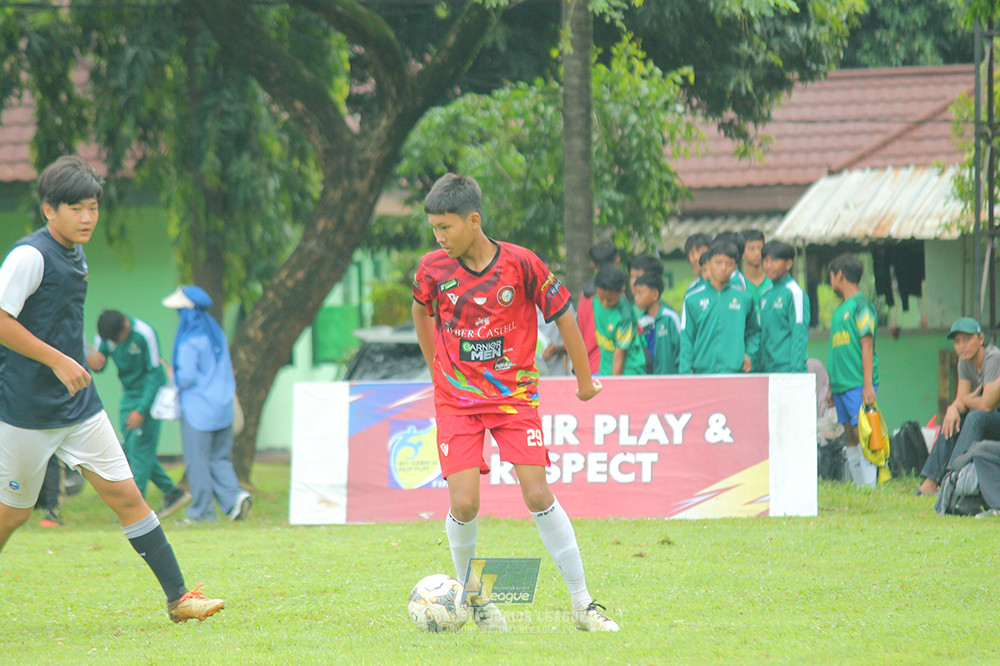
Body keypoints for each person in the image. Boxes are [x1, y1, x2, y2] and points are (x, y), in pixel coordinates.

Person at [0, 155, 223, 623]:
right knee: (13, 515)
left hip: (80, 407)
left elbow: (59, 322)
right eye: (76, 209)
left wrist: (73, 357)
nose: (87, 218)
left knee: (128, 498)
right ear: (48, 209)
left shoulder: (75, 255)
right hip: (26, 411)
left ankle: (179, 599)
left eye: (93, 208)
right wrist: (59, 359)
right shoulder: (30, 255)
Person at [411, 173, 618, 632]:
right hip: (457, 401)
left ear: (473, 220)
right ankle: (478, 600)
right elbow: (421, 313)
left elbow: (564, 316)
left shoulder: (522, 264)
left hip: (513, 398)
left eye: (445, 227)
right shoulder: (432, 269)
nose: (438, 237)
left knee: (537, 493)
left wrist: (585, 381)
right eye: (434, 230)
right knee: (464, 504)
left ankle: (583, 605)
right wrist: (435, 369)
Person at [87, 310, 190, 517]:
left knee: (139, 452)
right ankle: (173, 493)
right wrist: (91, 358)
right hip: (128, 396)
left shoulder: (144, 333)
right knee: (130, 450)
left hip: (149, 395)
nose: (115, 343)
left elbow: (155, 374)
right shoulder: (106, 335)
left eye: (118, 339)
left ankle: (136, 511)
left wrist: (142, 410)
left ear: (126, 327)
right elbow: (99, 364)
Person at [162, 285, 251, 523]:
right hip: (223, 407)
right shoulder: (216, 333)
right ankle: (235, 498)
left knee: (197, 460)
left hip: (198, 410)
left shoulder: (189, 340)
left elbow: (187, 377)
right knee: (219, 458)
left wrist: (175, 375)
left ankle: (202, 511)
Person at [916, 317, 1000, 496]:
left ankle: (950, 480)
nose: (962, 345)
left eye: (967, 339)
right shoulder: (964, 361)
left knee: (975, 417)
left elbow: (986, 405)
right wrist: (952, 408)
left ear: (981, 339)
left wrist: (963, 402)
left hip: (994, 418)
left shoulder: (993, 358)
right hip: (989, 419)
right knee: (954, 418)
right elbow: (961, 401)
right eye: (957, 341)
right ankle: (930, 481)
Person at [827, 254, 879, 488]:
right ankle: (860, 487)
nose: (831, 283)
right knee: (848, 433)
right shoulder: (839, 311)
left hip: (858, 382)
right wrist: (831, 385)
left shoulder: (862, 306)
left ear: (839, 275)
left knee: (862, 431)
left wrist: (868, 384)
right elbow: (836, 351)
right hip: (841, 384)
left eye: (831, 278)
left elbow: (866, 344)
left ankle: (871, 486)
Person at [679, 241, 760, 374]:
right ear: (708, 264)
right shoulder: (692, 299)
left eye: (728, 264)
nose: (723, 268)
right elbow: (687, 338)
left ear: (735, 266)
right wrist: (685, 372)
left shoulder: (744, 298)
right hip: (702, 374)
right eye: (718, 263)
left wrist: (750, 355)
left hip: (735, 374)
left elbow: (754, 332)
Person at [758, 240, 809, 373]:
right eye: (765, 261)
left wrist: (795, 372)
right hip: (766, 370)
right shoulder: (764, 295)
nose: (768, 266)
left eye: (774, 261)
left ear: (788, 264)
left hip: (788, 370)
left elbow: (799, 334)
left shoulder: (795, 293)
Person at [593, 265, 647, 376]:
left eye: (610, 300)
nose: (605, 303)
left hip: (628, 373)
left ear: (622, 290)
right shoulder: (595, 302)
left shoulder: (625, 317)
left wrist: (614, 385)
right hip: (606, 371)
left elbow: (620, 355)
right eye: (601, 298)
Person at [576, 240, 619, 375]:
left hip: (589, 371)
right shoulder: (616, 296)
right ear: (617, 261)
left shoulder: (583, 297)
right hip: (613, 369)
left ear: (593, 264)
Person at [633, 272, 681, 374]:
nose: (636, 298)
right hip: (649, 382)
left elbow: (681, 349)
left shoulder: (669, 318)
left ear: (655, 294)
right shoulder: (640, 321)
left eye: (640, 293)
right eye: (635, 293)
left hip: (671, 380)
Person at [740, 229, 772, 308]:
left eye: (760, 248)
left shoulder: (773, 282)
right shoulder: (738, 284)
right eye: (752, 249)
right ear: (742, 253)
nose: (757, 253)